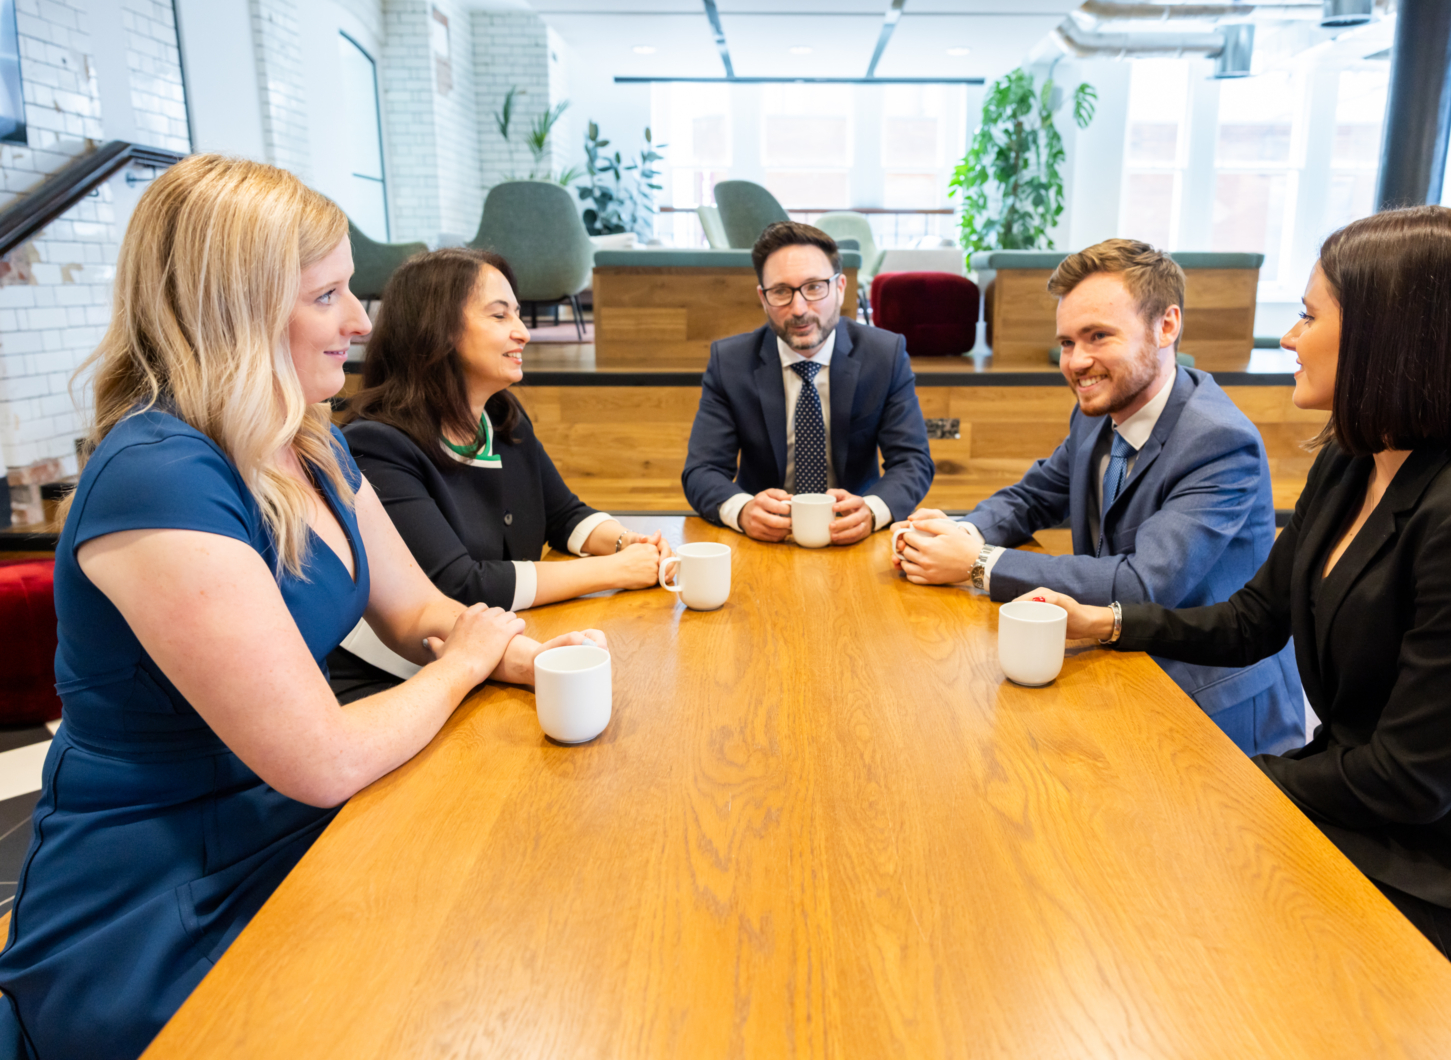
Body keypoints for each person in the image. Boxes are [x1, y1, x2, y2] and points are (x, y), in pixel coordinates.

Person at [0, 155, 605, 1058]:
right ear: (232, 312)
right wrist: (470, 661)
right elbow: (321, 758)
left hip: (289, 822)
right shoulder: (156, 473)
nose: (362, 322)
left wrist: (519, 654)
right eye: (327, 296)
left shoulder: (309, 441)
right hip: (164, 893)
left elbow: (418, 611)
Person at [1026, 207, 1451, 986]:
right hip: (1359, 814)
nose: (1289, 337)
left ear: (1390, 334)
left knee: (1162, 926)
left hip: (1446, 878)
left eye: (1308, 316)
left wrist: (1215, 777)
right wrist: (1109, 622)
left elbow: (1410, 780)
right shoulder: (1353, 460)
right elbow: (1256, 617)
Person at [894, 240, 1303, 756]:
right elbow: (1034, 497)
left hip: (1211, 708)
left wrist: (977, 564)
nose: (1076, 362)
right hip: (1115, 662)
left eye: (1098, 336)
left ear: (1167, 326)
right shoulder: (1103, 409)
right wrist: (959, 533)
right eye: (1067, 342)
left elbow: (1141, 583)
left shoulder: (1220, 442)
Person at [328, 248, 669, 700]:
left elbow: (564, 514)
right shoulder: (378, 443)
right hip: (399, 680)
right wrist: (616, 571)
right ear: (438, 331)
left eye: (519, 314)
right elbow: (463, 586)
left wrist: (628, 542)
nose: (522, 332)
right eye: (499, 315)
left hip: (496, 658)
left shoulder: (501, 416)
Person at [681, 221, 934, 543]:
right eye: (781, 292)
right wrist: (742, 510)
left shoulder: (884, 355)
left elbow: (913, 461)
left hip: (854, 531)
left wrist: (872, 510)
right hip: (765, 537)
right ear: (763, 297)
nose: (799, 309)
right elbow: (702, 470)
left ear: (840, 287)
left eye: (814, 287)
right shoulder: (730, 362)